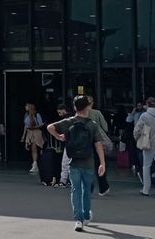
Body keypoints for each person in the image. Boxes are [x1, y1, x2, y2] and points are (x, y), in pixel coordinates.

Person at [47, 95, 108, 233]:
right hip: (89, 162)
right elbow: (99, 144)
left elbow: (50, 127)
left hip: (73, 161)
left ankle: (78, 220)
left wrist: (59, 136)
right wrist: (102, 163)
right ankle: (86, 215)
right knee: (86, 190)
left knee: (75, 191)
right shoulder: (92, 125)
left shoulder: (68, 122)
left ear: (75, 107)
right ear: (87, 107)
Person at [86, 96, 112, 196]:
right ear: (92, 103)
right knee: (99, 164)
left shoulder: (80, 113)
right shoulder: (97, 113)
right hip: (97, 142)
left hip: (85, 142)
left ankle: (88, 188)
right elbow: (105, 127)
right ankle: (103, 188)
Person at [126, 101, 146, 182]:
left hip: (144, 134)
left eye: (140, 105)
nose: (139, 107)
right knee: (137, 152)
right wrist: (133, 112)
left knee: (141, 152)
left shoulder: (145, 114)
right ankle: (138, 166)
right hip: (137, 135)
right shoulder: (136, 114)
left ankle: (142, 167)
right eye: (138, 106)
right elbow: (128, 120)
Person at [23, 102, 45, 174]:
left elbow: (41, 124)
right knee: (32, 148)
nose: (25, 107)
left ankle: (35, 164)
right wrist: (23, 136)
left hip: (36, 132)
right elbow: (25, 126)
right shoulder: (26, 115)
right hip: (29, 133)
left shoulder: (36, 114)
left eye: (26, 106)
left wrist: (32, 127)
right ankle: (34, 163)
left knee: (34, 147)